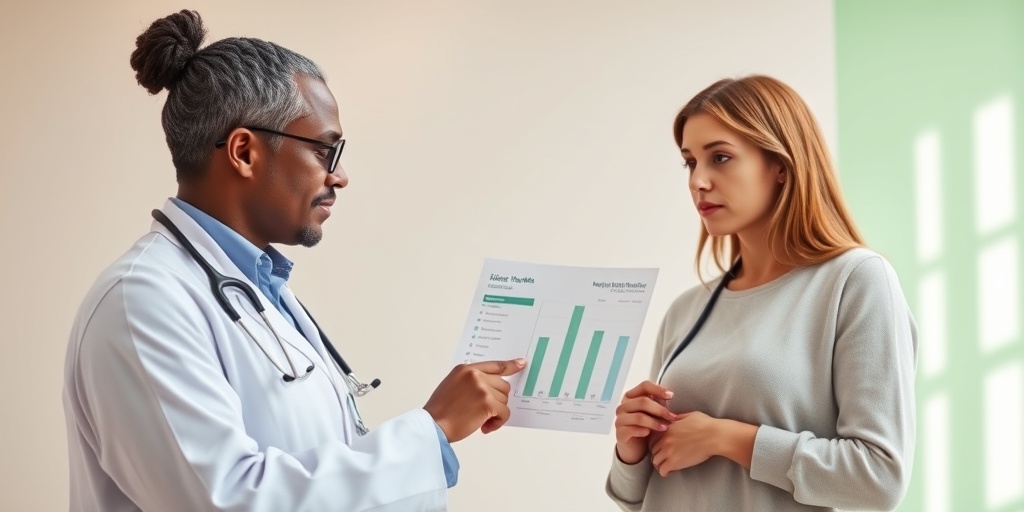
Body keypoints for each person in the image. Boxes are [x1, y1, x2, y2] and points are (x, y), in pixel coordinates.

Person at [62, 10, 525, 511]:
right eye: (327, 151)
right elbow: (225, 500)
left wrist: (427, 441)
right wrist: (430, 432)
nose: (340, 175)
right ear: (243, 151)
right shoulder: (143, 301)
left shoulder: (263, 292)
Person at [606, 75, 918, 511]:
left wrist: (727, 437)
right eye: (690, 162)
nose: (699, 180)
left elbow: (878, 479)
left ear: (781, 166)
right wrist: (631, 449)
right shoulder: (686, 310)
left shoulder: (855, 280)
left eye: (720, 157)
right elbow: (636, 499)